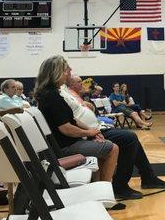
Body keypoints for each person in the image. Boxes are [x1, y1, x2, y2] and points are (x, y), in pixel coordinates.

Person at [62, 75, 165, 199]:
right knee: (129, 138)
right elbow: (72, 120)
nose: (82, 84)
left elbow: (89, 105)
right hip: (90, 132)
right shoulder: (65, 94)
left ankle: (148, 177)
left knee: (131, 137)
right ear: (70, 84)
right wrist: (90, 131)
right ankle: (121, 185)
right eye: (79, 82)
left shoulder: (74, 95)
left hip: (96, 128)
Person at [34, 56, 119, 185]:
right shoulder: (51, 96)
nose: (70, 71)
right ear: (56, 72)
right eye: (66, 70)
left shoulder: (49, 93)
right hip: (65, 147)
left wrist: (92, 131)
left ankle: (98, 187)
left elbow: (72, 120)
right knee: (113, 148)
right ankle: (106, 188)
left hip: (65, 143)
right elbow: (66, 128)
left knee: (101, 147)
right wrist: (90, 133)